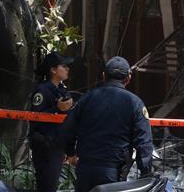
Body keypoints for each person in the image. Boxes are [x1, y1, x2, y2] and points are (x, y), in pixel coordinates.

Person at [61, 56, 153, 192]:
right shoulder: (135, 103)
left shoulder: (86, 99)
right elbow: (143, 142)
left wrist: (71, 153)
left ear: (104, 76)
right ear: (128, 78)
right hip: (112, 173)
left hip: (85, 169)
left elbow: (67, 129)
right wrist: (146, 173)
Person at [30, 52, 75, 192]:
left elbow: (66, 122)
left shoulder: (61, 90)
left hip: (57, 147)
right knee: (46, 187)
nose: (67, 69)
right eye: (64, 66)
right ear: (53, 69)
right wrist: (57, 108)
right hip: (45, 147)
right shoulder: (42, 90)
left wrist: (70, 150)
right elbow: (35, 118)